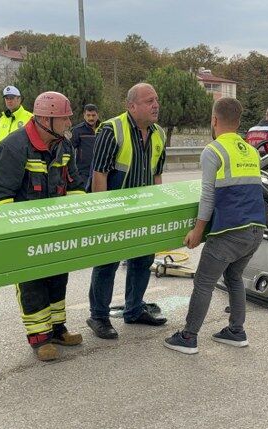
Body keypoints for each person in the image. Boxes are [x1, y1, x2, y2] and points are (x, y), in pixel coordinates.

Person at [0, 91, 86, 361]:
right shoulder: (14, 147)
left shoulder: (63, 146)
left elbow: (76, 184)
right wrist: (16, 235)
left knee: (57, 280)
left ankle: (57, 329)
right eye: (64, 119)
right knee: (32, 285)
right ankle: (39, 338)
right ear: (45, 119)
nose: (69, 123)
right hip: (26, 235)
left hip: (56, 231)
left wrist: (74, 217)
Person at [164, 97, 265, 355]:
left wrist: (198, 230)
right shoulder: (251, 150)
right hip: (255, 230)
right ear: (239, 122)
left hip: (229, 231)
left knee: (204, 282)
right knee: (233, 277)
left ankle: (188, 336)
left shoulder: (214, 150)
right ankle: (236, 331)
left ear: (214, 120)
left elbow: (208, 195)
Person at [86, 83, 168, 339]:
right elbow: (99, 174)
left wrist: (156, 210)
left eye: (156, 100)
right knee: (107, 264)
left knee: (142, 261)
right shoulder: (112, 130)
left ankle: (134, 310)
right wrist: (104, 214)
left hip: (143, 212)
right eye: (148, 101)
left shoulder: (159, 134)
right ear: (131, 106)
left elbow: (157, 175)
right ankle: (98, 316)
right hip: (115, 211)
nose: (155, 105)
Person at [70, 103, 100, 189]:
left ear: (98, 115)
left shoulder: (103, 129)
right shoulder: (77, 131)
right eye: (88, 115)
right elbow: (69, 150)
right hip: (83, 172)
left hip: (100, 171)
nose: (91, 118)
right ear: (84, 115)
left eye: (93, 115)